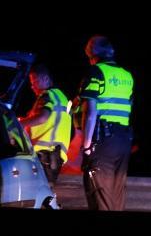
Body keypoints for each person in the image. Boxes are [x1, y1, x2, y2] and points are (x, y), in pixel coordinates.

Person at [78, 35, 134, 211]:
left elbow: (90, 112)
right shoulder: (127, 75)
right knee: (117, 191)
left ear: (91, 54)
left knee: (99, 192)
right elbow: (129, 105)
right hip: (124, 140)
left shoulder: (95, 72)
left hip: (103, 140)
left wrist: (86, 146)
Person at [20, 64, 71, 187]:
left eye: (34, 81)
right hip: (56, 156)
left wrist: (20, 124)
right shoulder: (62, 97)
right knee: (46, 192)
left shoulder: (47, 95)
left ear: (45, 79)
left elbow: (43, 118)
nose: (32, 86)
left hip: (44, 155)